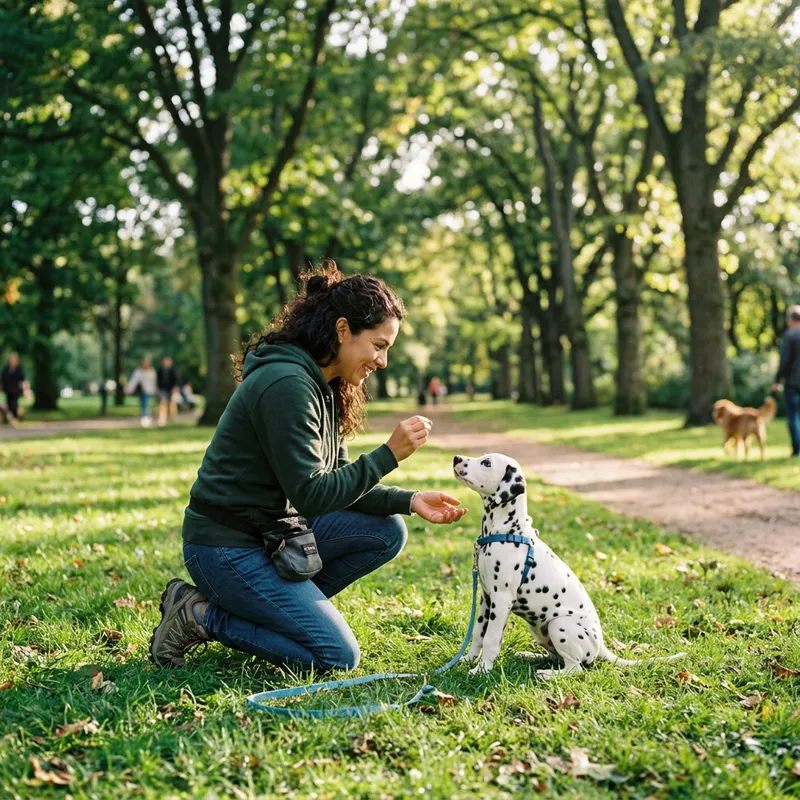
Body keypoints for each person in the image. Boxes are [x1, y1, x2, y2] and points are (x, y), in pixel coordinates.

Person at [149, 264, 468, 672]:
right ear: (342, 330)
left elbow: (337, 481)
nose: (383, 361)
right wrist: (388, 454)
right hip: (225, 546)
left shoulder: (326, 386)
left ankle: (283, 616)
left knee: (387, 530)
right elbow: (312, 495)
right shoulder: (287, 384)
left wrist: (410, 500)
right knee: (336, 656)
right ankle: (199, 614)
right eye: (378, 345)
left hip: (271, 536)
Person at [772, 304, 800, 458]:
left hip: (793, 383)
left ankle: (797, 449)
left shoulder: (790, 335)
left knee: (794, 416)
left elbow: (784, 362)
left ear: (791, 319)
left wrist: (777, 380)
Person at [125, 357, 158, 427]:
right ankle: (145, 416)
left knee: (146, 403)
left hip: (149, 390)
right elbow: (133, 381)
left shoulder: (152, 372)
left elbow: (154, 382)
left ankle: (145, 417)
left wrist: (155, 390)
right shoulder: (138, 372)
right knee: (142, 404)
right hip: (141, 391)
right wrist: (129, 389)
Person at [1, 352, 31, 425]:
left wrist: (26, 390)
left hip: (16, 390)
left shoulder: (19, 370)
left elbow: (23, 380)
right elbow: (2, 380)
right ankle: (10, 419)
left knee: (14, 404)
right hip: (7, 390)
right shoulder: (6, 369)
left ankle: (15, 418)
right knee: (8, 404)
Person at [156, 355, 180, 427]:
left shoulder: (173, 370)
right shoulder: (160, 371)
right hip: (163, 389)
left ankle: (172, 417)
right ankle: (162, 418)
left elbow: (177, 380)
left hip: (171, 389)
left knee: (172, 404)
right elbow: (158, 381)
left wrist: (175, 388)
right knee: (163, 403)